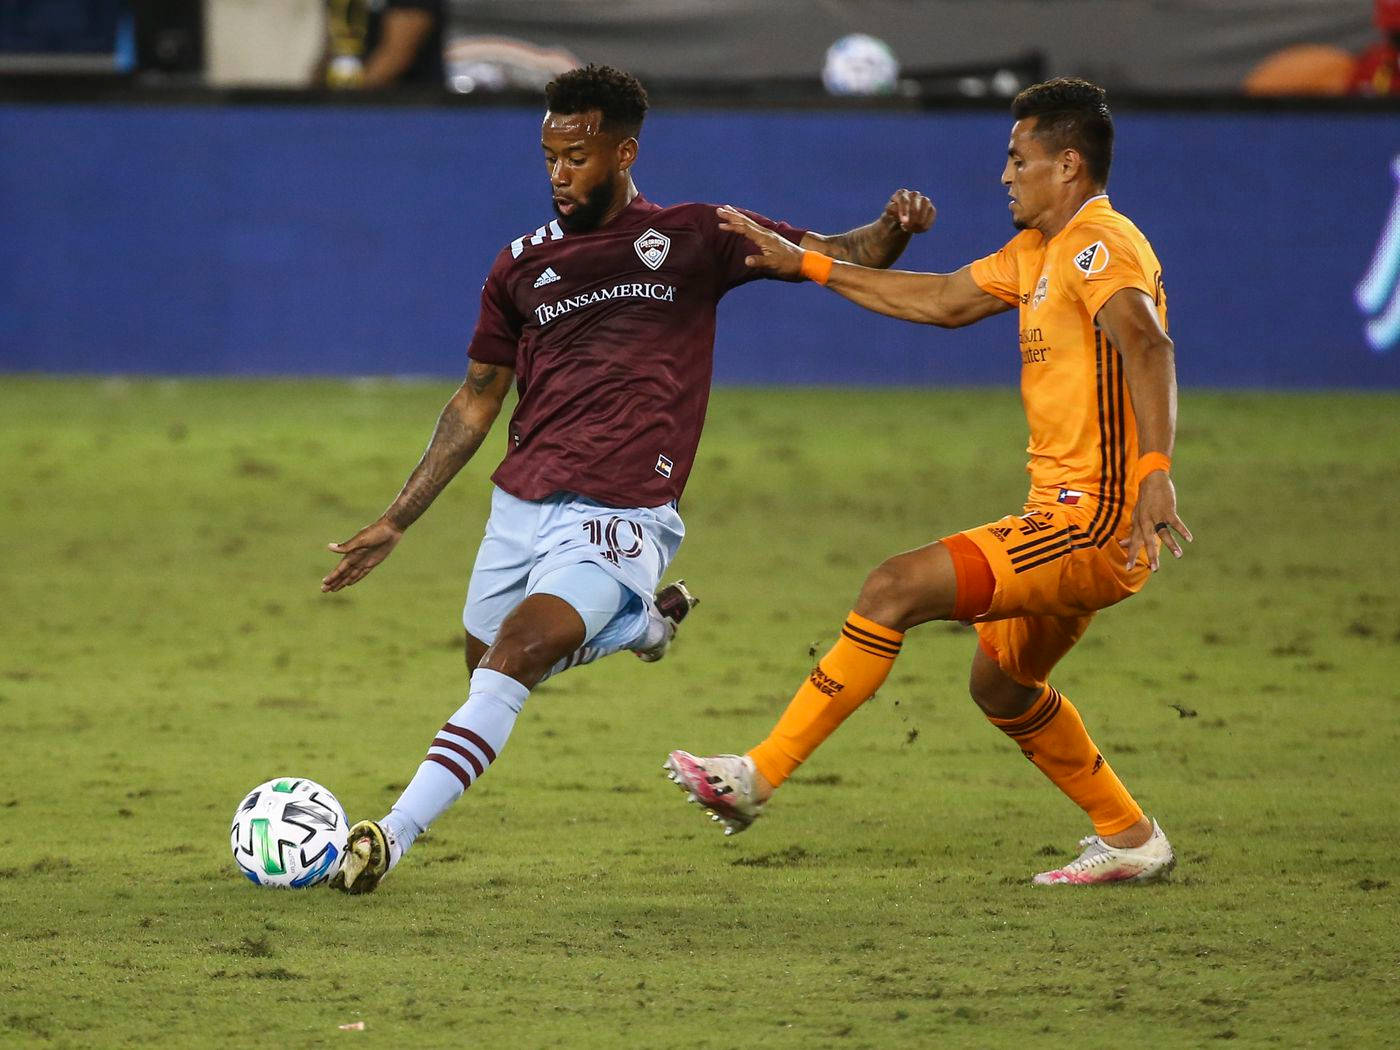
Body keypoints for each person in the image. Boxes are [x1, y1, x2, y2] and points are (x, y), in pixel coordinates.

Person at [320, 64, 935, 893]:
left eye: (575, 156)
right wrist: (398, 519)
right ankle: (643, 625)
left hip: (624, 508)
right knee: (486, 662)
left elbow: (838, 254)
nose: (558, 174)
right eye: (548, 157)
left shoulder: (698, 234)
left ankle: (389, 837)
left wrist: (893, 228)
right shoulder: (518, 267)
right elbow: (475, 401)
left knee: (515, 659)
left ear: (622, 152)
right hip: (521, 501)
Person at [666, 76, 1191, 886]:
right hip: (1070, 517)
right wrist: (803, 263)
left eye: (1020, 160)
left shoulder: (1100, 246)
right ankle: (1129, 836)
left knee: (893, 587)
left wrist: (1156, 473)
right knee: (1003, 688)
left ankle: (754, 775)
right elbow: (942, 301)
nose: (1005, 175)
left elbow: (1148, 347)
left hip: (1096, 522)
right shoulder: (1038, 253)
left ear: (1071, 166)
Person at [315, 0, 444, 90]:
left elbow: (396, 56)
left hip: (407, 106)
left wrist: (345, 102)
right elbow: (334, 40)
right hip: (344, 97)